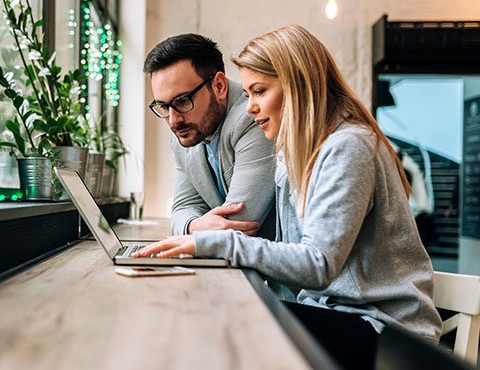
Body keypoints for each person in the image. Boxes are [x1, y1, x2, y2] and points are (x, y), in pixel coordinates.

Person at [137, 25, 442, 369]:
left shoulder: (348, 147)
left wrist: (211, 242)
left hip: (387, 333)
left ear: (299, 87)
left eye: (259, 91)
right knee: (218, 321)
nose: (250, 107)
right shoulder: (296, 152)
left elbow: (318, 264)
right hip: (337, 314)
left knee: (224, 328)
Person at [143, 33, 276, 238]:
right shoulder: (187, 131)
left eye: (183, 101)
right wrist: (193, 226)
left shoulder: (255, 117)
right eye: (164, 106)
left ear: (219, 86)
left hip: (271, 264)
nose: (173, 120)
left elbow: (238, 224)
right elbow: (182, 209)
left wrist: (193, 228)